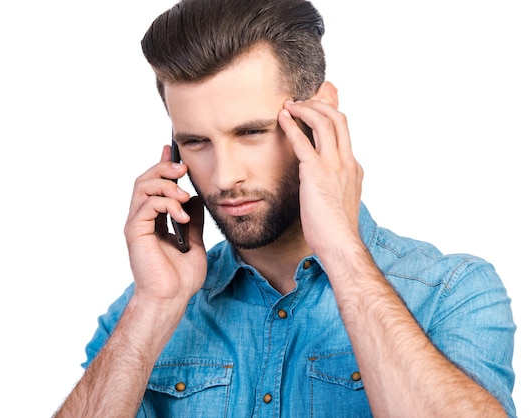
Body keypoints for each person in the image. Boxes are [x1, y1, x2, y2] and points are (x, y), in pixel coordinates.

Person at [54, 0, 516, 416]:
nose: (223, 176)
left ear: (320, 116)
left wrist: (342, 253)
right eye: (195, 142)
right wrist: (154, 307)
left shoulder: (452, 293)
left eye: (251, 132)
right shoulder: (142, 310)